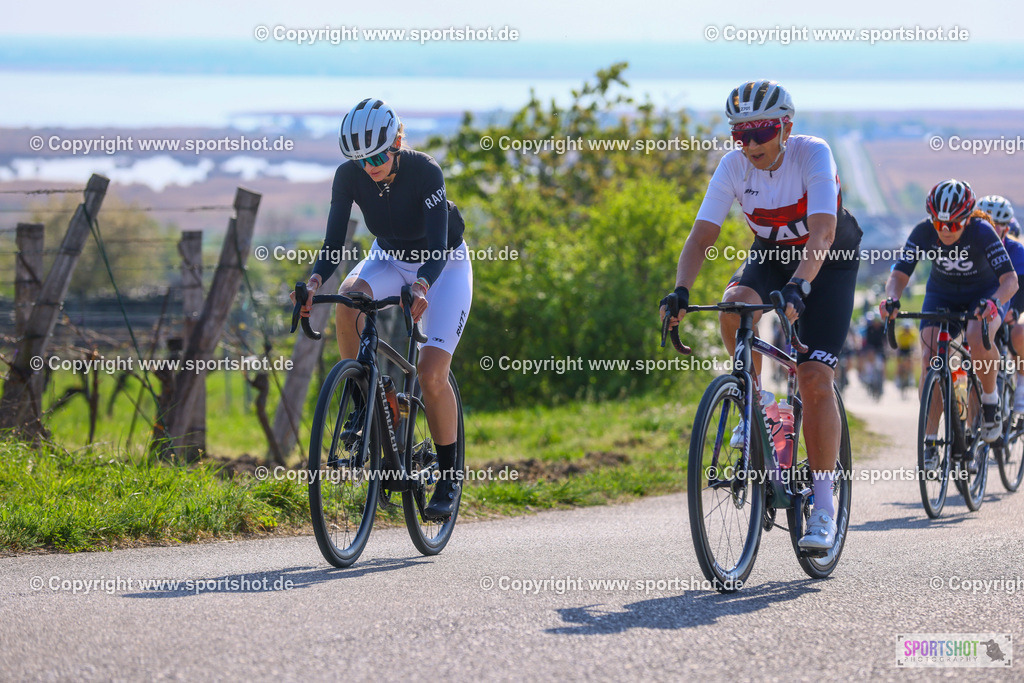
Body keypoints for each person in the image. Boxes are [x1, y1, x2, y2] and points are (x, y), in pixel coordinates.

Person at [661, 80, 862, 551]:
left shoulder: (813, 154)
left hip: (827, 260)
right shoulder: (733, 167)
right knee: (733, 307)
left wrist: (802, 284)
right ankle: (756, 401)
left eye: (762, 131)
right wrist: (681, 290)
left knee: (814, 377)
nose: (750, 144)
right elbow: (701, 236)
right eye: (740, 134)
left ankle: (825, 506)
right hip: (772, 253)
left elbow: (823, 231)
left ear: (785, 127)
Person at [293, 98, 473, 519]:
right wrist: (315, 282)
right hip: (388, 257)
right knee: (349, 299)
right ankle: (365, 397)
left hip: (442, 265)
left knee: (430, 375)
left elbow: (437, 244)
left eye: (376, 155)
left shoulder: (425, 170)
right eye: (359, 159)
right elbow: (333, 243)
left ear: (395, 142)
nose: (369, 166)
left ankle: (448, 479)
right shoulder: (349, 176)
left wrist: (423, 285)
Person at [880, 180, 1018, 445]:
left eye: (953, 224)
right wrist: (892, 298)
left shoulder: (982, 232)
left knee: (978, 335)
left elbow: (1010, 281)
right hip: (942, 294)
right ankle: (930, 440)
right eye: (938, 223)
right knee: (930, 354)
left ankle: (990, 402)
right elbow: (899, 274)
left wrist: (994, 303)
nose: (944, 230)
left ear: (967, 219)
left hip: (984, 294)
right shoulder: (922, 231)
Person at [978, 195, 1024, 413]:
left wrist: (1015, 310)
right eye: (988, 223)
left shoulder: (1017, 252)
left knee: (1020, 334)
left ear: (1007, 228)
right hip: (982, 312)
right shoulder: (971, 247)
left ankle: (1022, 391)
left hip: (1010, 312)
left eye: (998, 224)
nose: (993, 228)